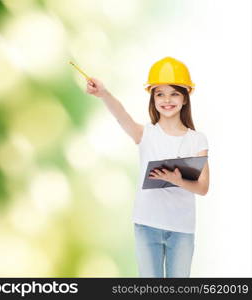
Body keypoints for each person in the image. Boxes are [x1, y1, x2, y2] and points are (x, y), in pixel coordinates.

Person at [85, 56, 209, 278]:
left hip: (182, 229)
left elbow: (203, 187)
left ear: (185, 97)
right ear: (153, 98)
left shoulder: (197, 140)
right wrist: (103, 93)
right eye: (159, 94)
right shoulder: (145, 134)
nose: (166, 100)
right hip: (147, 225)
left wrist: (178, 180)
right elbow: (120, 115)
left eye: (173, 94)